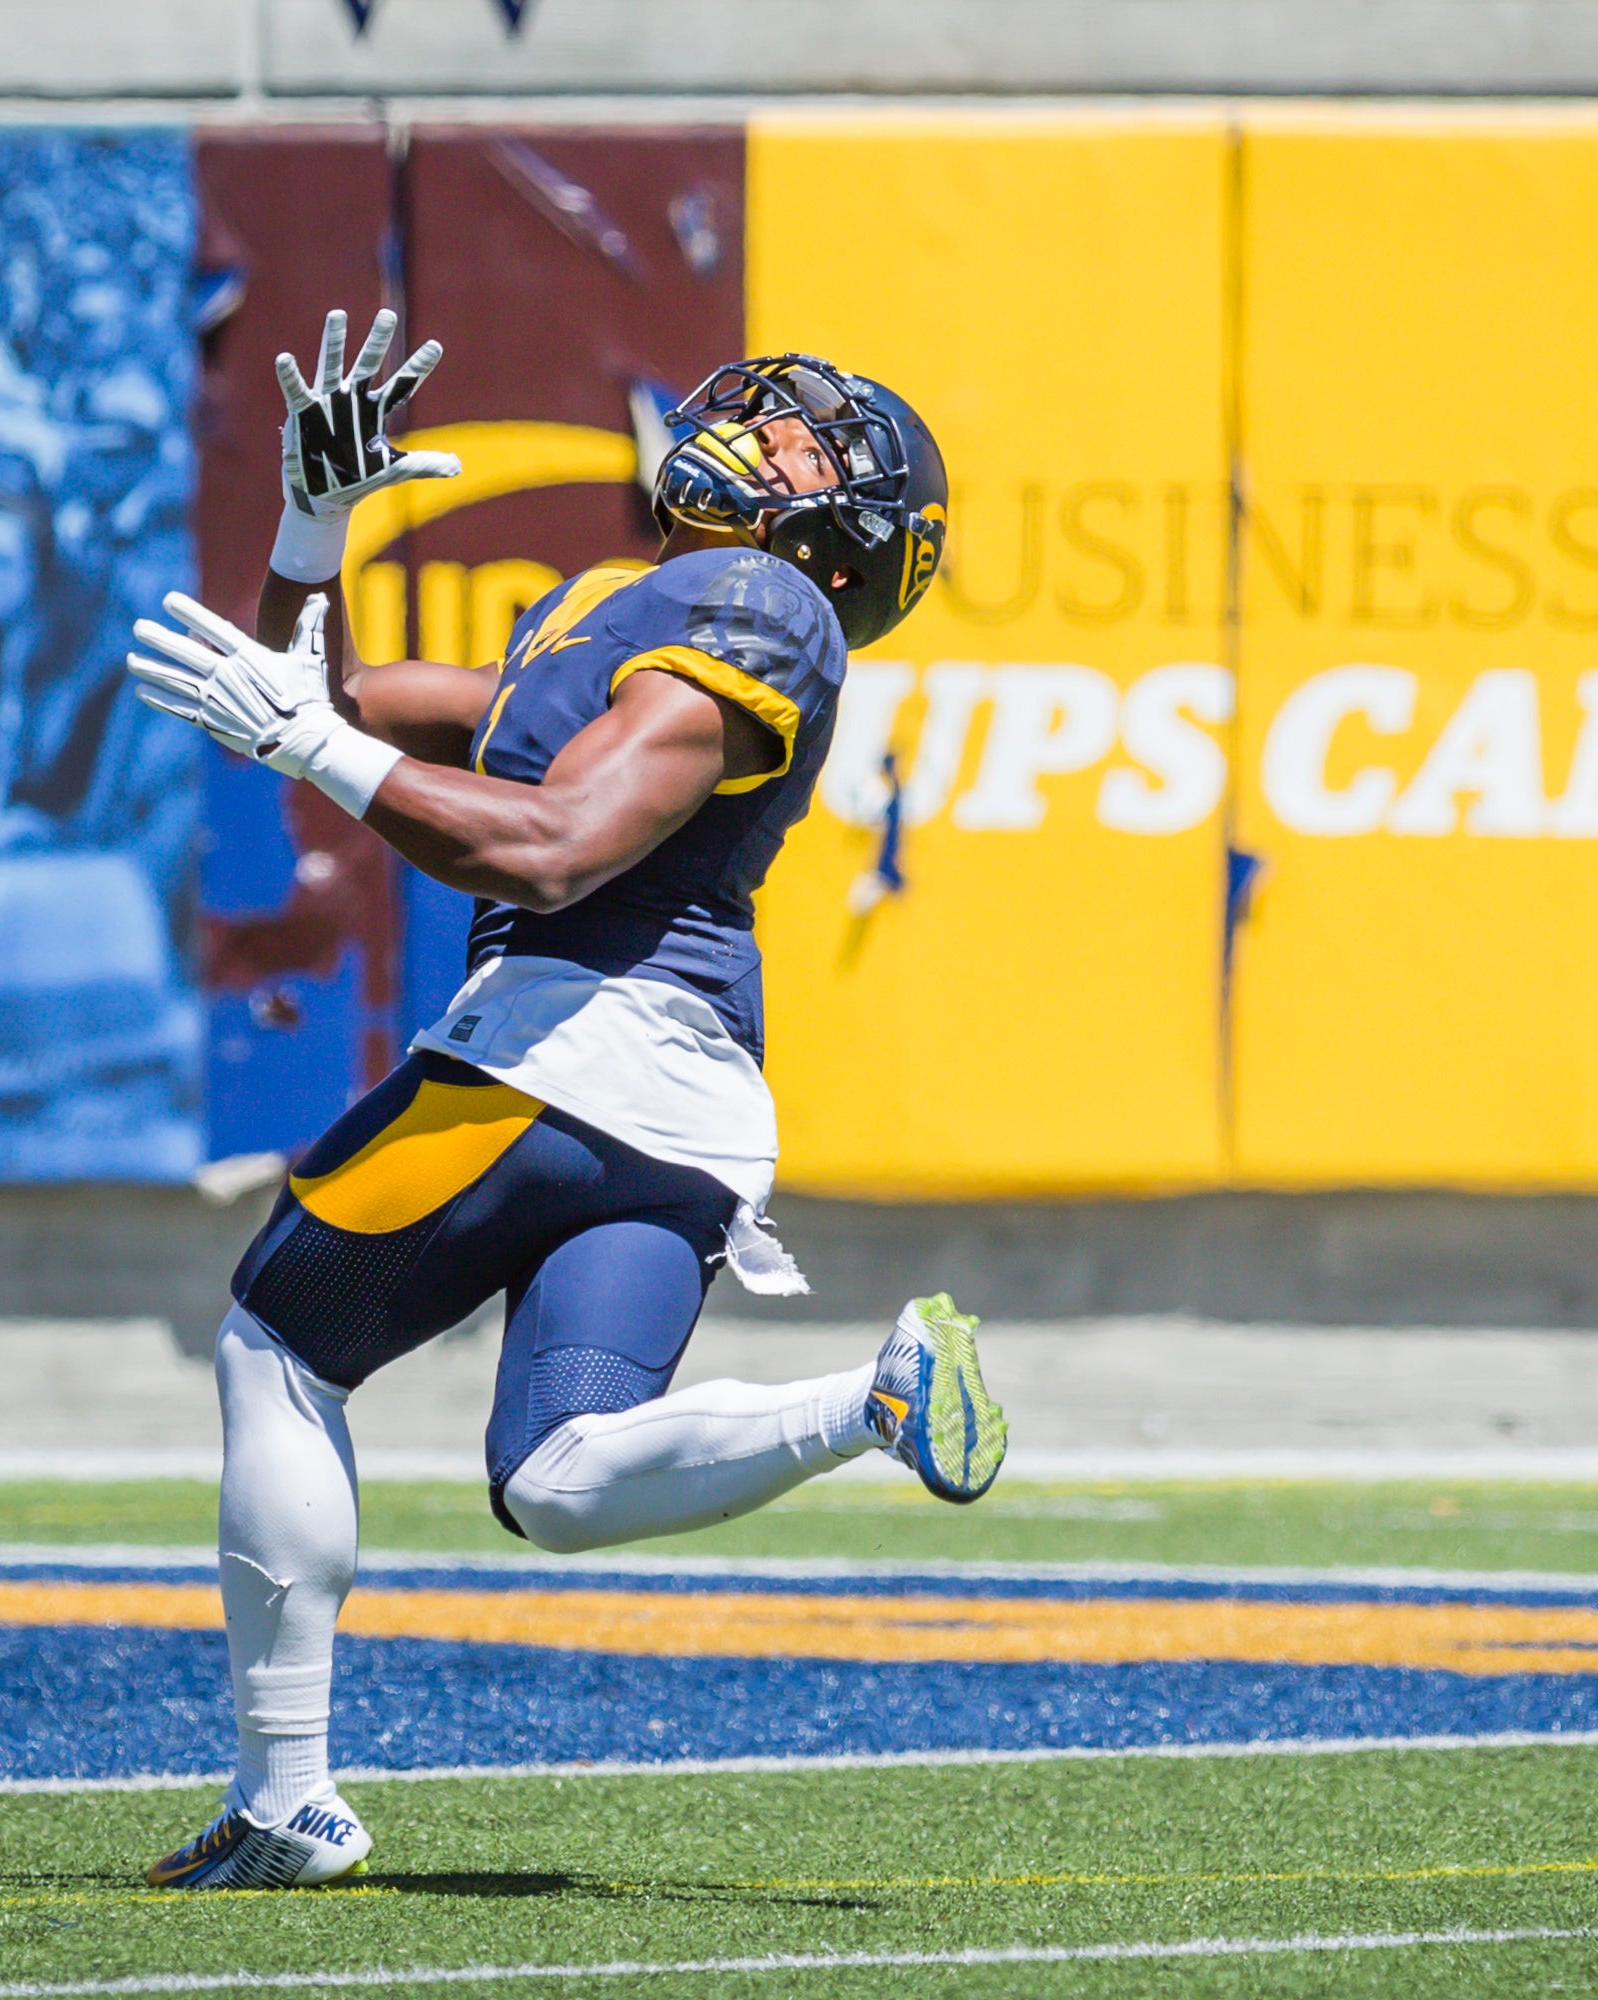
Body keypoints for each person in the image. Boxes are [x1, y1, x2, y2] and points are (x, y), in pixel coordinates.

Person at [123, 309, 1005, 1890]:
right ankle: (874, 1393)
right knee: (560, 1476)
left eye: (806, 439)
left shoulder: (758, 602)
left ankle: (284, 1795)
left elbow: (551, 847)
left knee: (275, 1338)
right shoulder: (620, 601)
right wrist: (311, 532)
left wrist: (314, 735)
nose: (760, 424)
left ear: (841, 530)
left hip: (569, 1039)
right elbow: (311, 697)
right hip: (686, 1107)